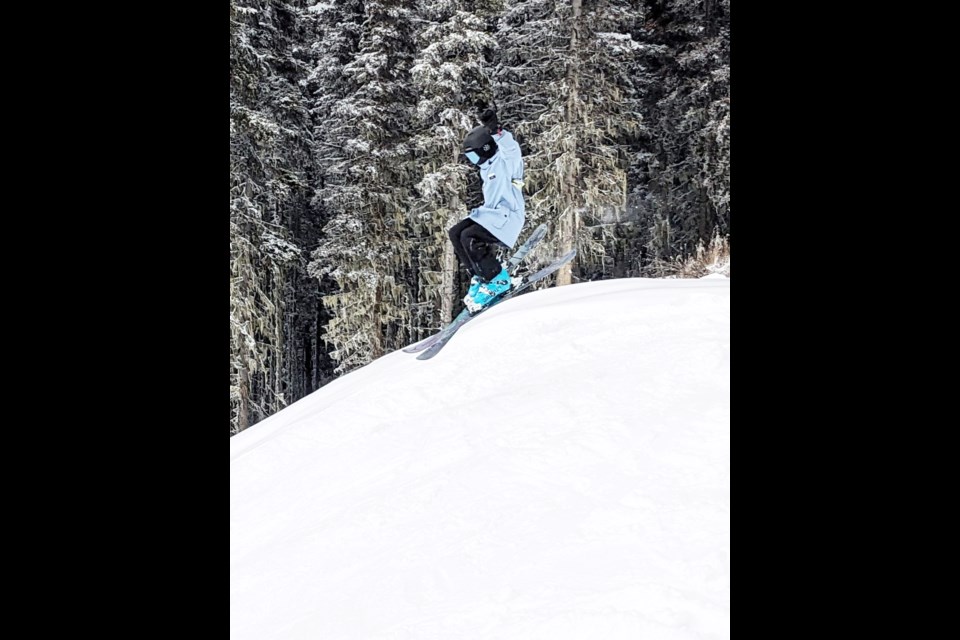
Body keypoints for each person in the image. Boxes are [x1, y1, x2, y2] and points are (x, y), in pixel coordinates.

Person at [449, 109, 526, 314]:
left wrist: (496, 130)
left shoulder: (505, 161)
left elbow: (511, 150)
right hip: (492, 216)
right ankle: (481, 276)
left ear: (486, 148)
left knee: (469, 236)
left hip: (508, 217)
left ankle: (497, 279)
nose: (475, 162)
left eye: (475, 156)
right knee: (456, 233)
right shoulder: (487, 167)